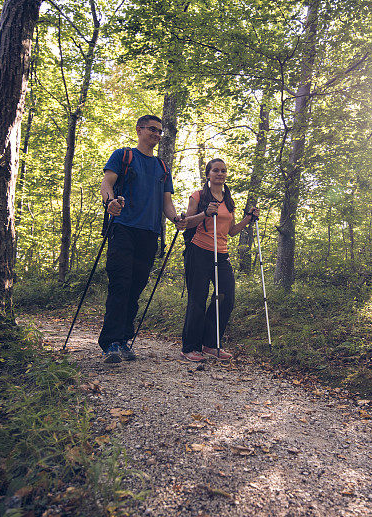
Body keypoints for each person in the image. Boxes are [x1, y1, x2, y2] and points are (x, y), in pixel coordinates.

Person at [99, 115, 180, 363]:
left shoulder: (163, 167)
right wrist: (110, 202)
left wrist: (178, 220)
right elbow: (106, 184)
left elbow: (167, 204)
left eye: (160, 132)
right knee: (120, 283)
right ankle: (110, 342)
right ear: (139, 130)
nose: (156, 134)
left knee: (136, 287)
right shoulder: (124, 156)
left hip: (149, 233)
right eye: (152, 130)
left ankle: (124, 339)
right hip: (123, 228)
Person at [176, 158, 260, 362]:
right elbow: (185, 224)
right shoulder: (198, 196)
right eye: (215, 170)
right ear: (208, 174)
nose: (220, 174)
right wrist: (205, 213)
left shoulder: (228, 200)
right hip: (199, 251)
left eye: (223, 171)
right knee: (198, 299)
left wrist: (248, 219)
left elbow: (231, 231)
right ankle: (190, 347)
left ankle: (210, 344)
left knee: (226, 297)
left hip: (221, 254)